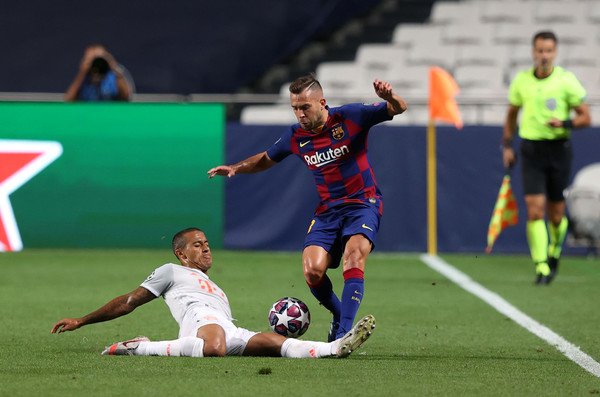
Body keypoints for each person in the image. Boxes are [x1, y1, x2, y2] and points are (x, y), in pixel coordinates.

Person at [207, 75, 406, 341]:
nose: (299, 114)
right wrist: (235, 168)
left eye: (305, 107)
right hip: (328, 210)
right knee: (312, 271)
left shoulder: (351, 116)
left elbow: (399, 108)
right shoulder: (295, 135)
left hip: (362, 202)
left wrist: (389, 98)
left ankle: (344, 333)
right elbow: (266, 159)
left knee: (354, 257)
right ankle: (339, 314)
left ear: (322, 102)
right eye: (295, 108)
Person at [51, 227, 375, 358]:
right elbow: (128, 301)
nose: (206, 249)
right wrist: (82, 320)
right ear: (181, 253)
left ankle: (334, 347)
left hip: (226, 325)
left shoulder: (217, 287)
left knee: (273, 343)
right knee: (215, 347)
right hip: (200, 322)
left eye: (207, 244)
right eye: (197, 245)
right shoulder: (171, 271)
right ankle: (139, 347)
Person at [502, 30, 591, 285]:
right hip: (531, 150)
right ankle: (541, 265)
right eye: (540, 50)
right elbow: (511, 114)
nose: (544, 55)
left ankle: (554, 251)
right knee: (534, 210)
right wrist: (507, 144)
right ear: (533, 52)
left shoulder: (566, 81)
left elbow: (586, 117)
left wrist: (564, 121)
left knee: (555, 214)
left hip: (558, 150)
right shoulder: (522, 81)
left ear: (555, 53)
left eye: (548, 51)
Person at [64, 44, 132, 102]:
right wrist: (82, 72)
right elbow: (68, 100)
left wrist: (114, 66)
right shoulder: (84, 80)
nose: (96, 63)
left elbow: (126, 96)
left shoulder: (112, 78)